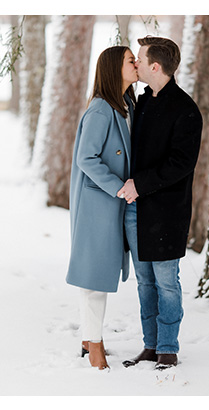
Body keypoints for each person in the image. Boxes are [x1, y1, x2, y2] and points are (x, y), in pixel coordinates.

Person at [117, 36, 203, 371]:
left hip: (166, 212)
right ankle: (150, 345)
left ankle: (168, 347)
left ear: (155, 66)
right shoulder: (141, 101)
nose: (135, 64)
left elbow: (181, 163)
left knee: (167, 281)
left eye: (139, 59)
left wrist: (140, 184)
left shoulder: (186, 110)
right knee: (145, 282)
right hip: (135, 210)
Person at [66, 45, 139, 371]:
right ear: (114, 68)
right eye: (130, 60)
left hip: (114, 204)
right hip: (99, 202)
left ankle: (88, 336)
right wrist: (118, 188)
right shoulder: (100, 109)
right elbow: (86, 158)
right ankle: (94, 344)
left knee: (102, 271)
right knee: (94, 275)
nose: (137, 64)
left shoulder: (126, 105)